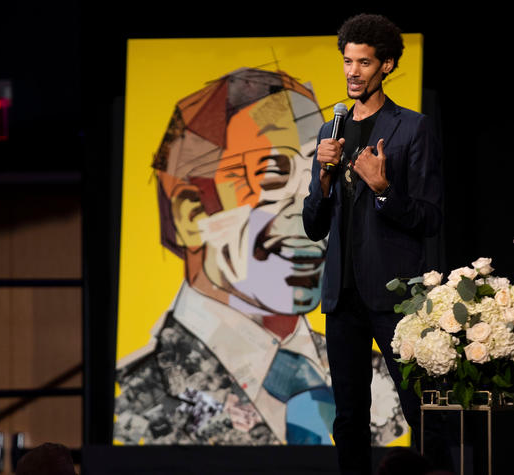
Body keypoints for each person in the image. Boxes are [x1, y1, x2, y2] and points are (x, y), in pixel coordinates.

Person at [114, 68, 407, 446]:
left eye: (318, 176)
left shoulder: (382, 380)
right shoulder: (135, 405)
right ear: (191, 213)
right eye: (272, 176)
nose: (308, 219)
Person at [303, 14, 445, 474]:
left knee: (418, 408)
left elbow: (430, 218)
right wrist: (323, 180)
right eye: (347, 61)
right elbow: (312, 225)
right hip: (342, 293)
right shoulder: (331, 131)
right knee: (347, 418)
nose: (352, 72)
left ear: (386, 66)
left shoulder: (412, 128)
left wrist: (384, 190)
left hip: (393, 296)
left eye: (364, 63)